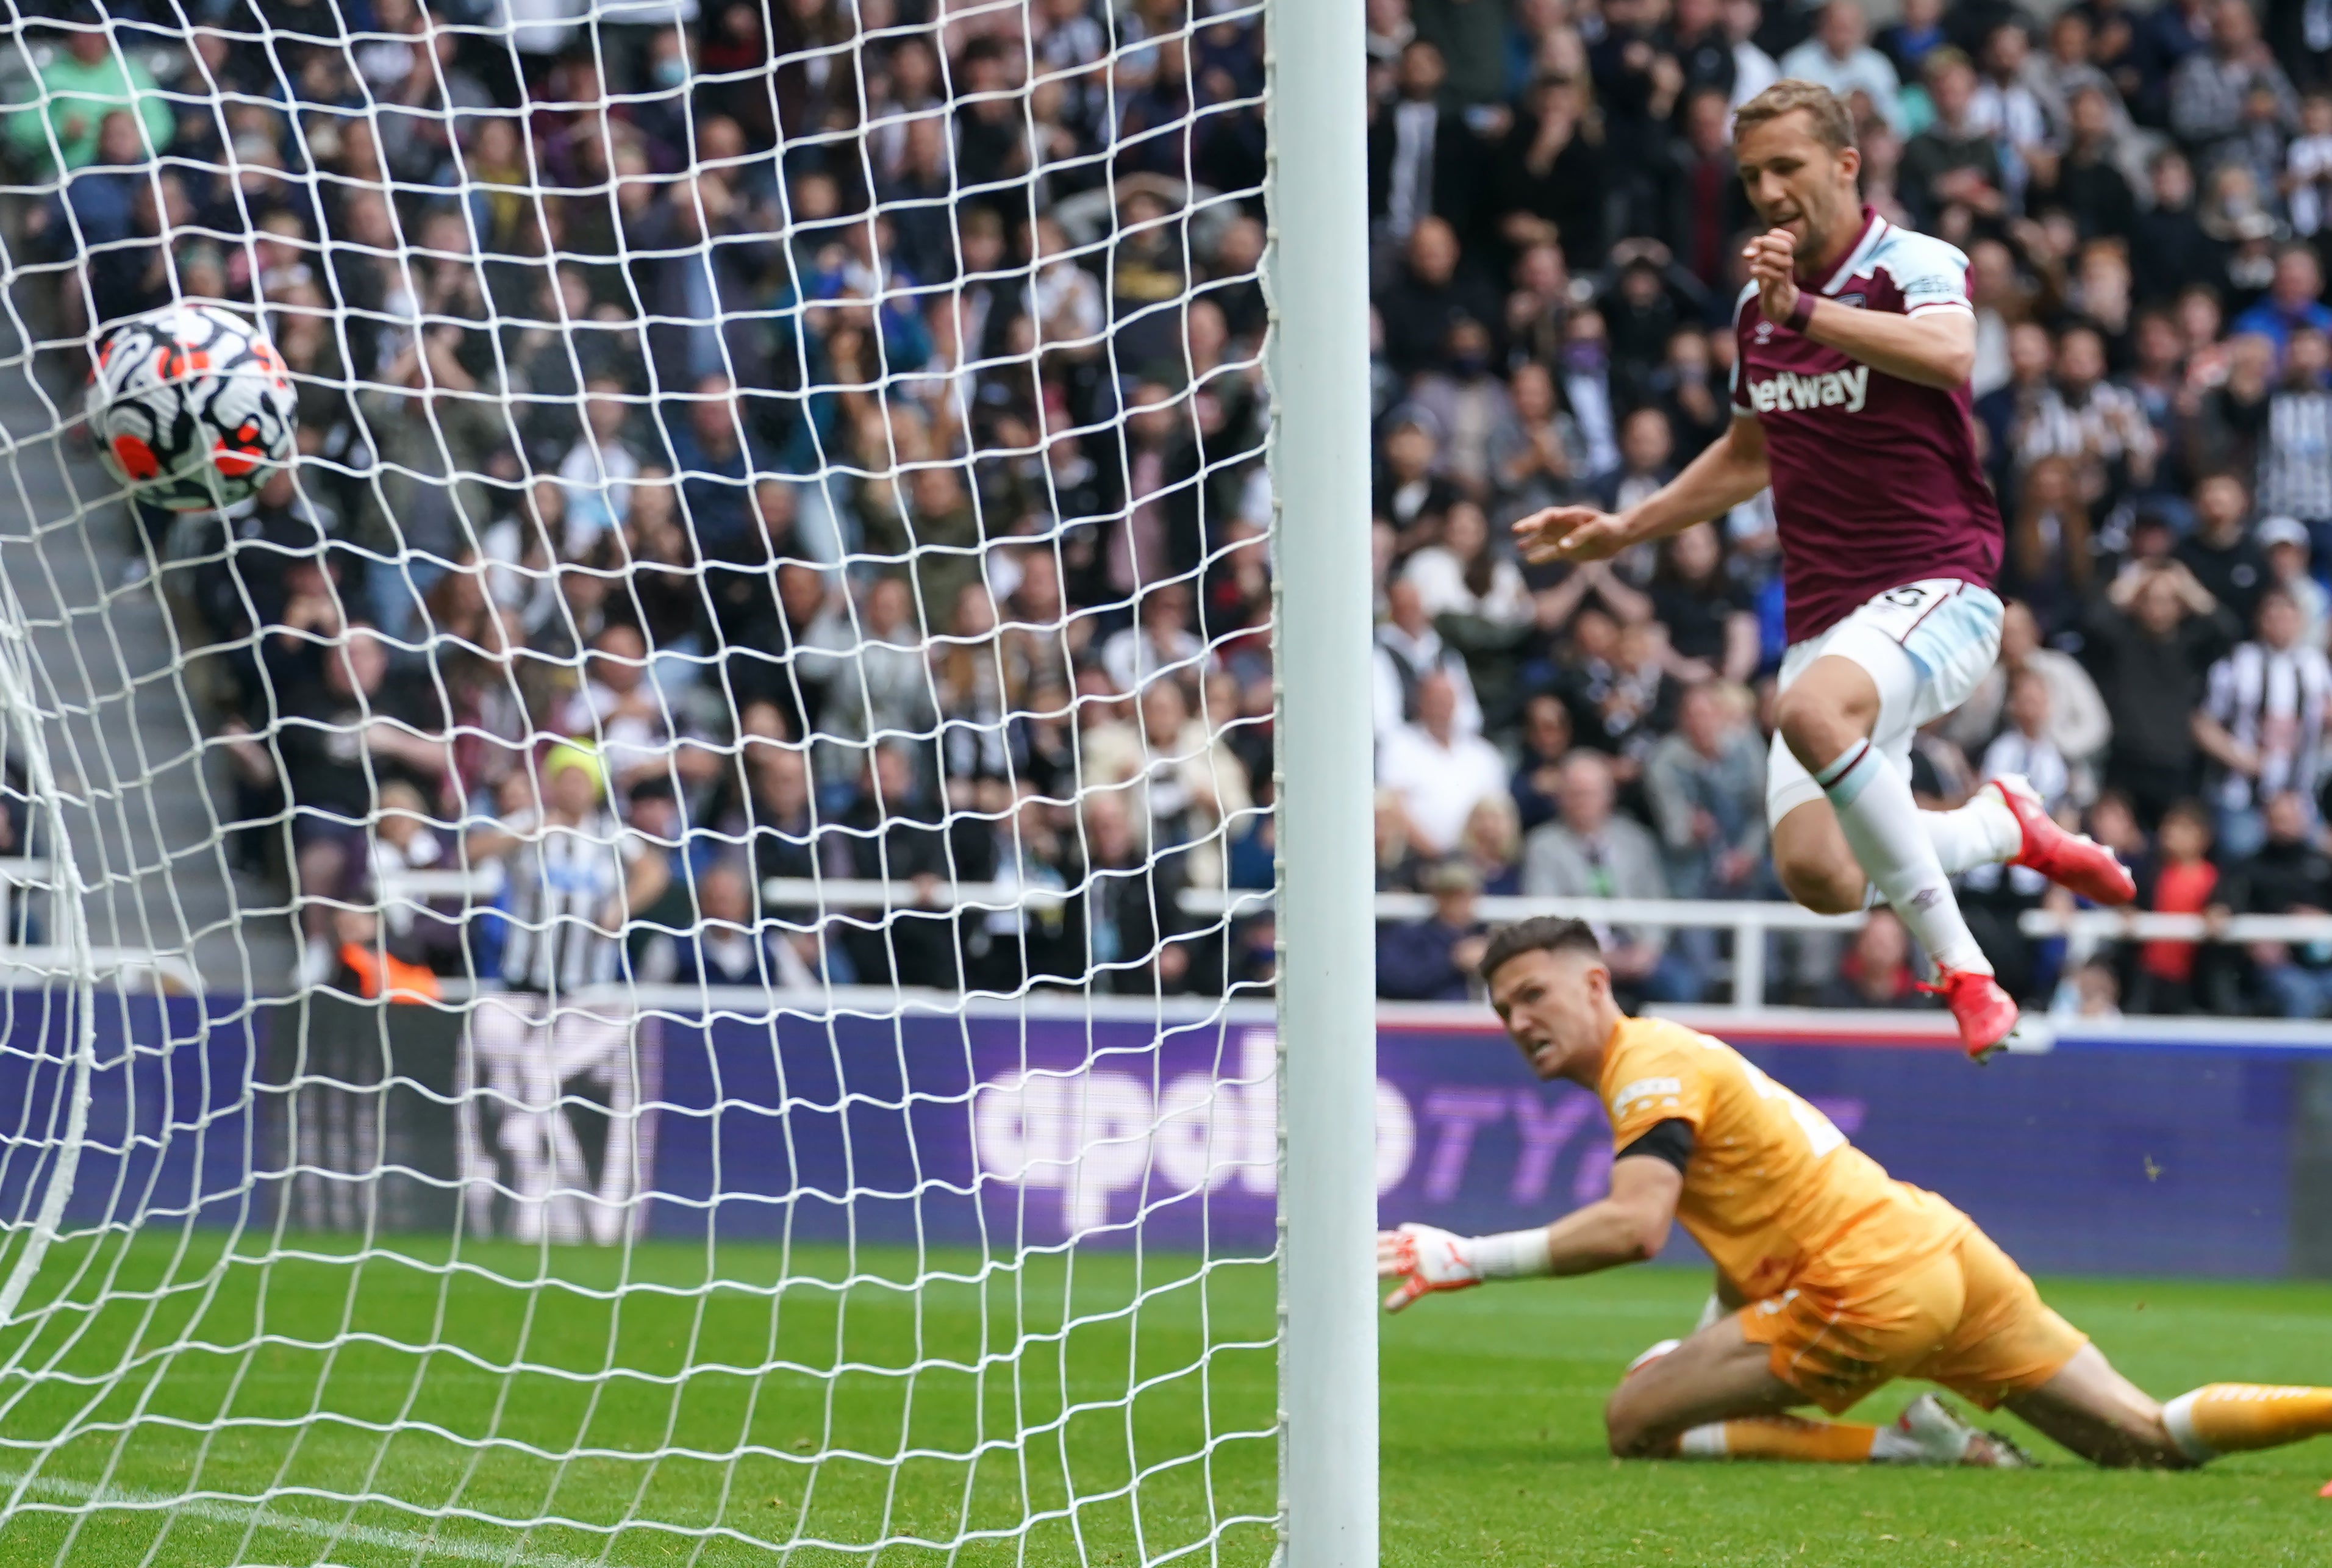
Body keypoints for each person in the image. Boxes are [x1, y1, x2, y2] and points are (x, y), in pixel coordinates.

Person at [1514, 79, 2134, 1060]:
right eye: (1752, 174)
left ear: (1847, 165)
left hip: (1941, 586)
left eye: (1787, 167)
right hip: (1827, 622)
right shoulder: (1756, 314)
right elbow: (1749, 452)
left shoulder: (1913, 264)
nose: (1767, 190)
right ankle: (1999, 826)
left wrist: (1804, 309)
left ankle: (1964, 970)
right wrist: (1625, 528)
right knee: (1824, 879)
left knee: (1805, 717)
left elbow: (1948, 353)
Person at [1378, 917, 2332, 1469]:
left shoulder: (1645, 1065)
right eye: (1502, 1009)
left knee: (1634, 1421)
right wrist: (1709, 1337)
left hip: (1868, 1283)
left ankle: (1907, 1447)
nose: (1517, 1020)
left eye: (1534, 995)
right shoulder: (1675, 1056)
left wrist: (1465, 1257)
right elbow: (1744, 1244)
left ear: (1595, 984)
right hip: (1936, 1247)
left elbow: (1633, 1229)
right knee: (2146, 1442)